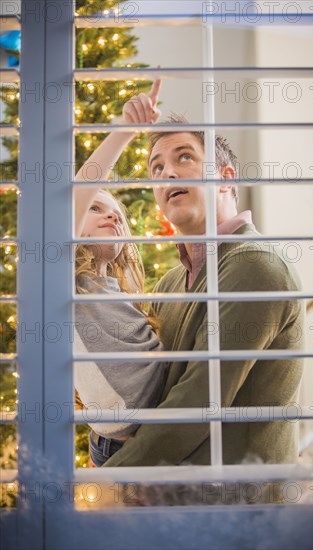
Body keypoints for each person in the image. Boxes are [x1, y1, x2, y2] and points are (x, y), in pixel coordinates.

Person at [102, 105, 304, 470]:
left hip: (236, 513)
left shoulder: (255, 264)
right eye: (157, 168)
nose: (168, 173)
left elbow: (196, 400)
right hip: (177, 505)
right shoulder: (170, 282)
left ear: (225, 178)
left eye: (185, 157)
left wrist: (107, 482)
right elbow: (149, 389)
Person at [74, 81, 167, 467]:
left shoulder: (117, 288)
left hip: (163, 431)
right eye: (95, 209)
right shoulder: (69, 282)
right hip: (126, 447)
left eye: (116, 213)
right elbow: (75, 193)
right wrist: (124, 133)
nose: (112, 215)